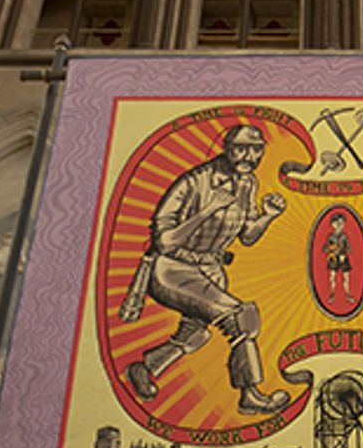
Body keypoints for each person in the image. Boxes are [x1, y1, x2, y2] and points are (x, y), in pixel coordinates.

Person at [122, 121, 290, 415]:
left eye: (256, 150)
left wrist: (268, 217)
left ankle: (144, 368)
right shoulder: (194, 182)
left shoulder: (247, 183)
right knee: (242, 317)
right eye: (240, 149)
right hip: (173, 268)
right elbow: (163, 241)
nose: (248, 158)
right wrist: (207, 211)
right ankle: (250, 395)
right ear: (226, 149)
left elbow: (247, 235)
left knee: (194, 335)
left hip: (210, 270)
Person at [323, 211, 354, 303]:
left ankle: (348, 294)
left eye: (341, 223)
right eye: (337, 223)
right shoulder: (331, 237)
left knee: (346, 278)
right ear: (332, 224)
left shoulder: (344, 236)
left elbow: (349, 248)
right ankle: (332, 294)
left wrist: (343, 254)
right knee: (332, 278)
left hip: (343, 258)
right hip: (334, 259)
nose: (339, 225)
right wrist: (331, 249)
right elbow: (325, 249)